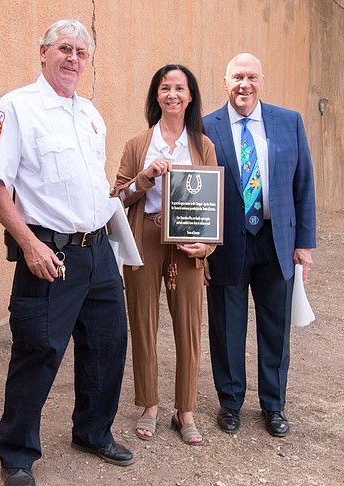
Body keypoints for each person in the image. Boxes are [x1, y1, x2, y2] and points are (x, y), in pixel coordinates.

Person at [0, 20, 133, 486]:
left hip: (98, 250)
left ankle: (93, 432)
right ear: (43, 53)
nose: (73, 58)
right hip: (50, 253)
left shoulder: (89, 113)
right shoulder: (15, 108)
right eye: (64, 49)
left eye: (81, 53)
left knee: (108, 345)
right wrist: (28, 243)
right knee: (38, 350)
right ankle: (17, 454)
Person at [203, 53, 316, 438]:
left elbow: (303, 185)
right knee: (226, 327)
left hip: (276, 240)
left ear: (261, 81)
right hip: (226, 245)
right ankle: (230, 403)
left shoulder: (289, 122)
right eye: (237, 77)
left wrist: (305, 243)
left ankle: (273, 405)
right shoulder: (204, 128)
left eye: (251, 77)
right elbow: (198, 191)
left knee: (275, 328)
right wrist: (201, 246)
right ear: (225, 82)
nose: (244, 85)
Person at [111, 64, 217, 446]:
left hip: (188, 244)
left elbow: (213, 207)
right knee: (142, 321)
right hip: (144, 237)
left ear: (190, 97)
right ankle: (149, 405)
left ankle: (184, 410)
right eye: (165, 88)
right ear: (156, 96)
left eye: (180, 88)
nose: (172, 94)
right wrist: (145, 176)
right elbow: (117, 198)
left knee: (189, 325)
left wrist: (206, 247)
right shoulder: (138, 144)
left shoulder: (202, 145)